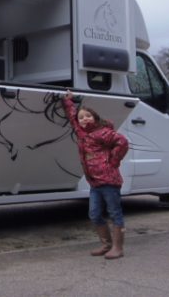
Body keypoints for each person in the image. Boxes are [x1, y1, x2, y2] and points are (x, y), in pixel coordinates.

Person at [62, 91, 129, 260]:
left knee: (114, 213)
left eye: (88, 116)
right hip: (94, 183)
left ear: (95, 117)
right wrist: (68, 102)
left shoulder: (103, 132)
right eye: (82, 117)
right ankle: (106, 244)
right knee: (94, 213)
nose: (84, 119)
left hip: (109, 180)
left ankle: (117, 247)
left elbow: (122, 142)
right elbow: (72, 117)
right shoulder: (81, 133)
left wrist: (113, 161)